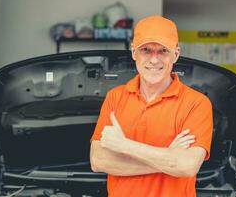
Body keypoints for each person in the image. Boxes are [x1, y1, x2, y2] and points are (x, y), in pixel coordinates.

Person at [90, 15, 213, 197]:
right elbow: (98, 160)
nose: (154, 60)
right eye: (146, 50)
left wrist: (124, 146)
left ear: (176, 54)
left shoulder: (197, 103)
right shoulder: (115, 97)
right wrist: (169, 159)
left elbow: (187, 166)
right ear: (133, 52)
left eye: (163, 50)